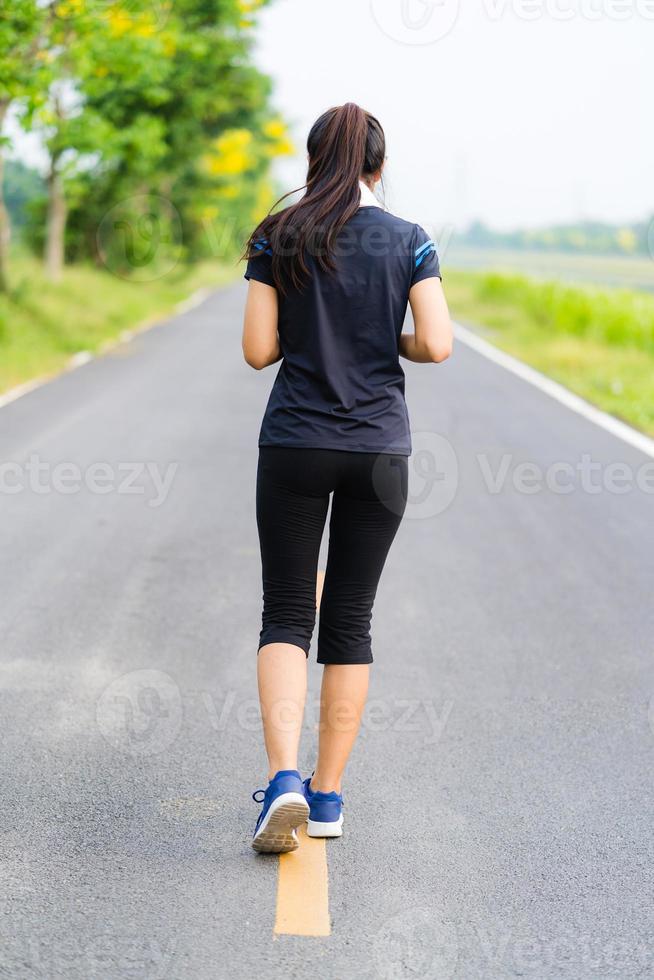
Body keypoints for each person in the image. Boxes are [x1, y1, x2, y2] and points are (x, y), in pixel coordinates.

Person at [242, 102, 452, 853]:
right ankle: (327, 800)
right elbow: (436, 344)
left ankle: (284, 782)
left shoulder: (277, 236)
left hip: (296, 442)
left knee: (287, 615)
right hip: (379, 454)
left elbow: (258, 351)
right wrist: (379, 336)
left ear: (312, 159)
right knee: (351, 621)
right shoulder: (410, 239)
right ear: (377, 164)